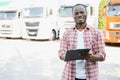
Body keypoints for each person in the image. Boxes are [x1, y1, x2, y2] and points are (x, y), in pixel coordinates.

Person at [58, 4, 106, 80]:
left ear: (86, 14)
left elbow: (102, 55)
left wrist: (92, 57)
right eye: (76, 13)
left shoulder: (97, 33)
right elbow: (61, 52)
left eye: (81, 12)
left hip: (90, 76)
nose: (79, 15)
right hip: (70, 76)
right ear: (73, 16)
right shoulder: (66, 33)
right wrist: (67, 56)